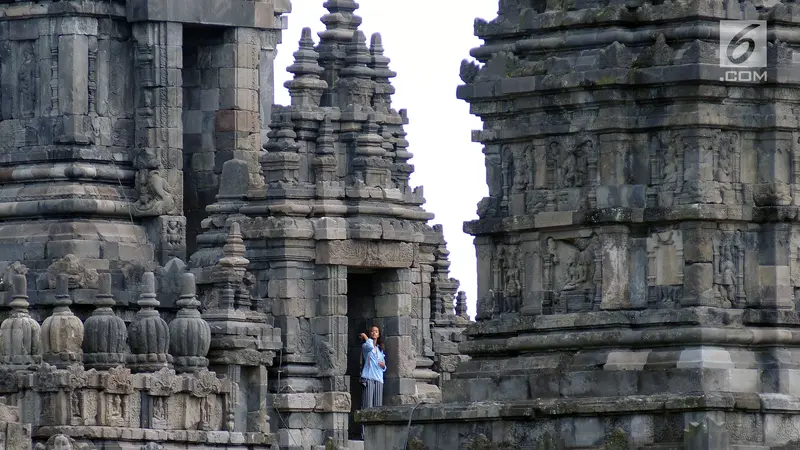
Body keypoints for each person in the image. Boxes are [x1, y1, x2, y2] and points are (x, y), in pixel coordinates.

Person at [359, 325, 386, 410]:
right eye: (372, 331)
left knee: (378, 406)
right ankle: (365, 423)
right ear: (370, 333)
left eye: (376, 331)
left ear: (378, 335)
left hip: (379, 377)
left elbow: (384, 365)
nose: (374, 332)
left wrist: (384, 366)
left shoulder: (380, 349)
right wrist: (365, 337)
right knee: (367, 405)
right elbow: (370, 346)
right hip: (369, 377)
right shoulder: (365, 346)